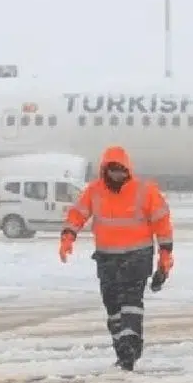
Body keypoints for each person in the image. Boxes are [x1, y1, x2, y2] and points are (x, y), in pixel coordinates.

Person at [59, 145, 174, 371]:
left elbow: (163, 225)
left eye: (121, 171)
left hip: (137, 257)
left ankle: (130, 344)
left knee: (131, 303)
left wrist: (165, 257)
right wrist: (68, 237)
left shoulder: (145, 191)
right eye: (112, 171)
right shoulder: (94, 191)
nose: (117, 175)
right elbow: (78, 214)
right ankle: (122, 349)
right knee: (112, 307)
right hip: (107, 259)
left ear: (128, 170)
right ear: (105, 171)